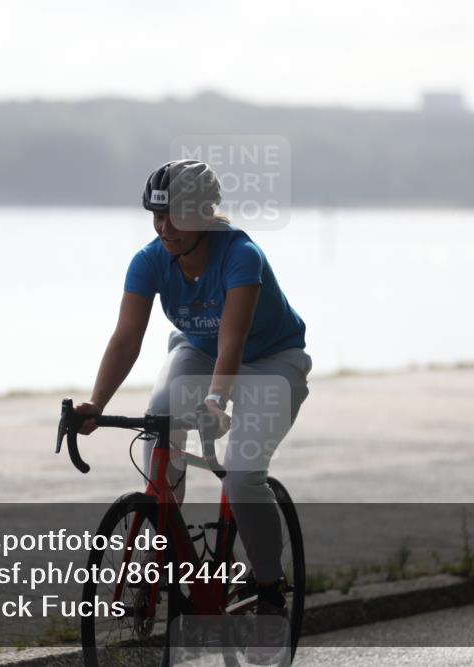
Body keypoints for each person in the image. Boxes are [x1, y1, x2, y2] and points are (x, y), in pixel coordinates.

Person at [73, 159, 311, 662]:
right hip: (198, 351)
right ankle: (163, 531)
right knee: (158, 419)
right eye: (156, 216)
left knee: (242, 475)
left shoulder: (241, 255)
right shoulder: (149, 260)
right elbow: (126, 338)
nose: (164, 228)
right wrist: (97, 403)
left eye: (176, 216)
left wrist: (216, 402)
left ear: (205, 213)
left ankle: (269, 588)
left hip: (271, 361)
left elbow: (233, 341)